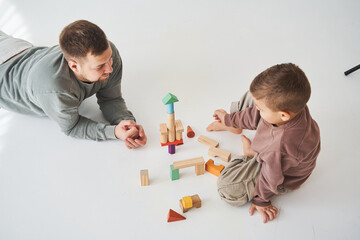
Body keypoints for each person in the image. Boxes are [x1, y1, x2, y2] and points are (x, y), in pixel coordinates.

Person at [0, 20, 146, 149]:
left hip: (17, 48)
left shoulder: (109, 53)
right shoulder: (54, 88)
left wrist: (127, 124)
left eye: (109, 60)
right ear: (74, 66)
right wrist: (112, 132)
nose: (110, 69)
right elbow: (73, 127)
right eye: (100, 66)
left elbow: (111, 99)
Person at [207, 63, 321, 223]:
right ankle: (238, 127)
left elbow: (271, 177)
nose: (257, 109)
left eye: (260, 109)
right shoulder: (291, 108)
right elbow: (255, 112)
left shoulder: (280, 146)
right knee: (257, 97)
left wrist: (261, 200)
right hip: (275, 154)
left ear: (283, 115)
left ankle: (251, 155)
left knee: (226, 189)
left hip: (280, 174)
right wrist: (229, 120)